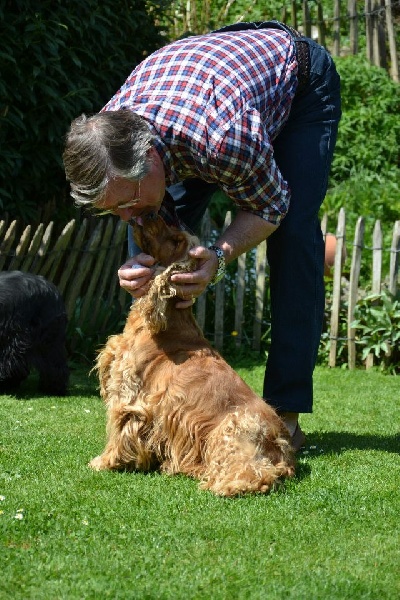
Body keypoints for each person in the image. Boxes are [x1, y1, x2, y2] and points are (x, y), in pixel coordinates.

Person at [63, 21, 341, 451]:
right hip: (204, 98)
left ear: (153, 159)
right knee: (153, 239)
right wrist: (142, 267)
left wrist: (218, 253)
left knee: (295, 239)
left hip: (299, 88)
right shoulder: (112, 134)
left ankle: (285, 414)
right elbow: (138, 210)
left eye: (129, 202)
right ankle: (147, 408)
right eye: (112, 209)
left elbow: (271, 207)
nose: (126, 216)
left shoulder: (222, 138)